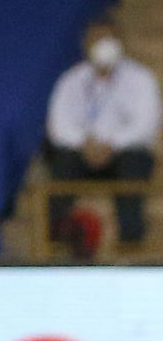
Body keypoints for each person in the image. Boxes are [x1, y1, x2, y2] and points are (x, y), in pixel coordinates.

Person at [45, 22, 161, 253]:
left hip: (124, 154)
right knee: (61, 165)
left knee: (135, 165)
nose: (102, 46)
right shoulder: (71, 81)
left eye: (108, 39)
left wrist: (112, 144)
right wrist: (84, 144)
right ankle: (54, 244)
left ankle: (130, 243)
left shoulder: (140, 79)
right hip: (81, 154)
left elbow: (146, 124)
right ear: (86, 44)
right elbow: (59, 125)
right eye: (97, 39)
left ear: (121, 42)